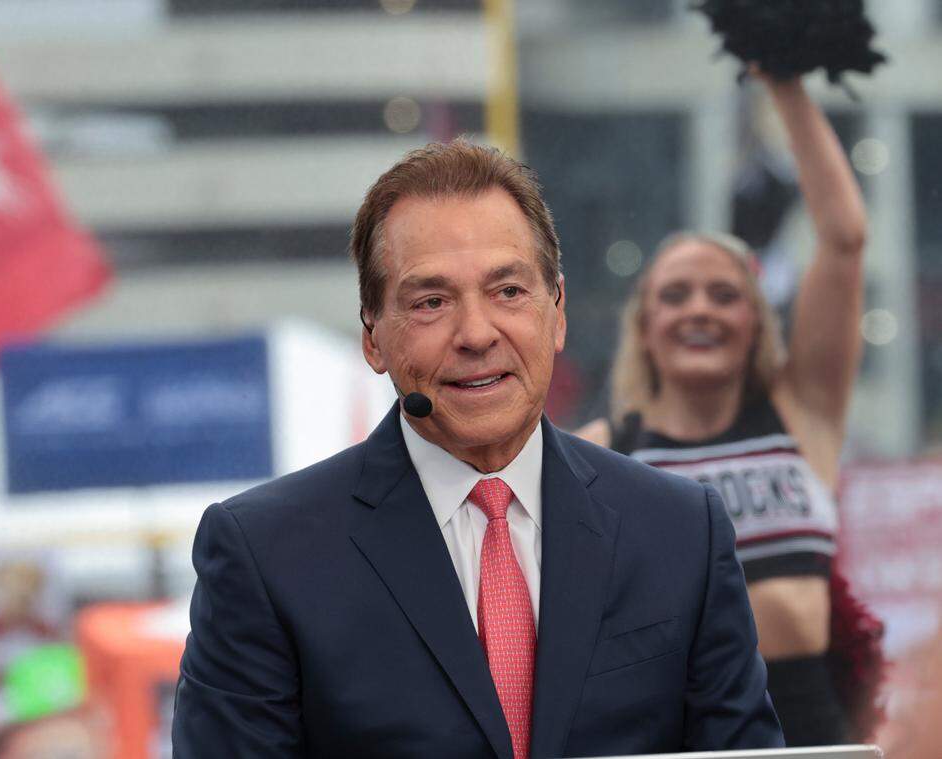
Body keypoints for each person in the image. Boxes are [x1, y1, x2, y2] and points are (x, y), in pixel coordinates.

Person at [173, 139, 783, 758]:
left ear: (558, 311)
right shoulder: (265, 555)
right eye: (431, 302)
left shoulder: (682, 531)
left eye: (508, 291)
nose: (476, 334)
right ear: (373, 336)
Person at [576, 73, 876, 746]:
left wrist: (785, 84)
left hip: (813, 724)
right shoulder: (603, 448)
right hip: (673, 729)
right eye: (676, 295)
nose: (701, 309)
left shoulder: (804, 412)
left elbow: (845, 241)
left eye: (724, 293)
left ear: (757, 320)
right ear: (645, 325)